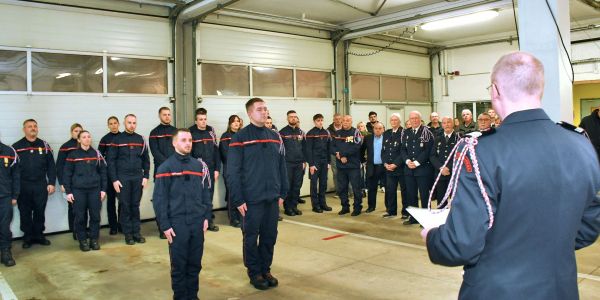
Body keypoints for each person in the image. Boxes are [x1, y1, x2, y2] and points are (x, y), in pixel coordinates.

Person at [423, 52, 600, 299]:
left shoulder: (481, 150)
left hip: (497, 291)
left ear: (495, 90)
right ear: (539, 88)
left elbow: (459, 245)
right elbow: (589, 226)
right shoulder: (580, 143)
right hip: (560, 290)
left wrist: (432, 236)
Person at [227, 98, 288, 290]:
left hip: (272, 197)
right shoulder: (240, 137)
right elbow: (233, 171)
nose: (264, 112)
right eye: (260, 109)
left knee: (270, 236)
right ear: (250, 113)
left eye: (266, 109)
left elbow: (281, 166)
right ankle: (254, 272)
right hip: (251, 199)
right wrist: (237, 199)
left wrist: (282, 192)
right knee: (251, 237)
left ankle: (265, 269)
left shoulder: (274, 136)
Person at [153, 128, 212, 300]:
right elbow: (159, 199)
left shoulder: (198, 166)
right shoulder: (166, 167)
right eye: (184, 140)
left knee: (194, 264)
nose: (188, 143)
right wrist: (164, 225)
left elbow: (205, 194)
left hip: (196, 223)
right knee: (179, 265)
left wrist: (206, 216)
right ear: (174, 143)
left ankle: (192, 296)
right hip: (177, 224)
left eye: (190, 140)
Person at [108, 114, 150, 245]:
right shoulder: (117, 140)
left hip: (137, 177)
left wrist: (146, 176)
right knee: (125, 206)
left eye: (134, 123)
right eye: (129, 122)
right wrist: (114, 180)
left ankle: (136, 233)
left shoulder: (141, 139)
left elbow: (146, 159)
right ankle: (128, 235)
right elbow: (111, 161)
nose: (132, 125)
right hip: (123, 178)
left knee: (135, 206)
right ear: (124, 123)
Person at [13, 119, 56, 248]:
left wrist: (52, 182)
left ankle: (39, 235)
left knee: (39, 210)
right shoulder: (16, 147)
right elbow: (12, 169)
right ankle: (27, 237)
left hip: (40, 184)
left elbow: (51, 166)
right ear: (24, 129)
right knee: (25, 211)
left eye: (35, 126)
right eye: (30, 126)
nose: (33, 128)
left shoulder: (44, 145)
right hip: (23, 185)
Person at [63, 130, 107, 252]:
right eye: (84, 137)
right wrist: (68, 191)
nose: (87, 139)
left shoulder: (97, 154)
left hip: (94, 190)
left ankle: (94, 239)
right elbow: (67, 174)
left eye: (88, 137)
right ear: (79, 140)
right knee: (80, 217)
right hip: (78, 191)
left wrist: (103, 189)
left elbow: (103, 173)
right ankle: (82, 240)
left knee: (95, 216)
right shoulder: (73, 155)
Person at [189, 108, 220, 232]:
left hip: (210, 170)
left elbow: (216, 151)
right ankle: (196, 221)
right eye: (200, 120)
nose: (203, 122)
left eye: (205, 119)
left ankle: (208, 221)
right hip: (196, 170)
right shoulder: (190, 132)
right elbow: (188, 152)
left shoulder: (211, 131)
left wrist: (217, 169)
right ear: (196, 121)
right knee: (196, 196)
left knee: (208, 196)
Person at [401, 111, 434, 225]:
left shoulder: (427, 132)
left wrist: (417, 162)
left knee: (424, 195)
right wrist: (407, 161)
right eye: (412, 118)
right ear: (409, 120)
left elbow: (428, 150)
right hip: (409, 169)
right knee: (411, 194)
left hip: (422, 169)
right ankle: (413, 217)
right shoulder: (406, 133)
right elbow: (403, 149)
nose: (414, 120)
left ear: (420, 119)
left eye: (416, 118)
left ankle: (425, 219)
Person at [149, 107, 176, 239]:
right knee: (161, 201)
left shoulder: (176, 132)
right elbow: (155, 153)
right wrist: (168, 165)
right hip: (161, 172)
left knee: (174, 201)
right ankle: (162, 228)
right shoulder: (154, 133)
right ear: (159, 116)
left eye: (168, 115)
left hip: (176, 173)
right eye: (164, 115)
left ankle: (174, 225)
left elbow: (179, 149)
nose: (167, 117)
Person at [331, 115, 364, 216]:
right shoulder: (337, 134)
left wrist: (343, 154)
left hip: (353, 166)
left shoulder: (356, 132)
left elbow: (356, 147)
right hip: (341, 166)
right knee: (342, 188)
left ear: (351, 121)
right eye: (344, 120)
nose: (345, 122)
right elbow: (332, 147)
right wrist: (338, 154)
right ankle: (345, 207)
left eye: (348, 120)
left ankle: (357, 207)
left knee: (356, 188)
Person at [56, 123, 84, 240]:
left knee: (83, 207)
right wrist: (62, 183)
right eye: (75, 131)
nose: (78, 133)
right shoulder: (65, 147)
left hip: (83, 183)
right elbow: (60, 166)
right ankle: (75, 231)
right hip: (70, 183)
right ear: (71, 132)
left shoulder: (85, 146)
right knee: (73, 207)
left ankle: (82, 230)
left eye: (80, 131)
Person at [429, 117, 461, 209]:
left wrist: (449, 167)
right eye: (444, 123)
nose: (447, 124)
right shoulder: (437, 139)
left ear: (453, 124)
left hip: (453, 174)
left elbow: (459, 155)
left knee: (455, 200)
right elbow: (432, 156)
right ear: (442, 125)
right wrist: (441, 167)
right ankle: (442, 221)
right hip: (440, 173)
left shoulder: (459, 138)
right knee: (441, 199)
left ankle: (455, 221)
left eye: (449, 122)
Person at [279, 110, 306, 216]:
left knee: (297, 186)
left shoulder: (301, 132)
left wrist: (304, 161)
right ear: (287, 118)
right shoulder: (282, 133)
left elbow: (305, 148)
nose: (293, 118)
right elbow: (280, 150)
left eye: (295, 116)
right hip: (287, 163)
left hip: (299, 163)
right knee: (288, 186)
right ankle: (288, 208)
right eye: (291, 117)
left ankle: (294, 206)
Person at [304, 114, 332, 213]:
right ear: (314, 122)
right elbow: (308, 150)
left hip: (324, 162)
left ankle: (323, 204)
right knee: (314, 184)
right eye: (318, 120)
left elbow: (329, 148)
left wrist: (329, 162)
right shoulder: (310, 133)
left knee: (323, 184)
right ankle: (315, 205)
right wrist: (311, 164)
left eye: (321, 120)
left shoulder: (326, 132)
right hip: (315, 163)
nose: (320, 122)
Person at [98, 116, 121, 235]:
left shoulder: (123, 138)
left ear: (119, 124)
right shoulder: (104, 140)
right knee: (110, 202)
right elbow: (99, 159)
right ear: (108, 125)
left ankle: (122, 224)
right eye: (110, 124)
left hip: (122, 175)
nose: (113, 125)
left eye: (115, 123)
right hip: (109, 176)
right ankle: (113, 226)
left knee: (123, 201)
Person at [220, 115, 243, 227]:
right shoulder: (225, 137)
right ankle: (233, 218)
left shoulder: (243, 135)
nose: (236, 123)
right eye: (234, 122)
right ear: (230, 124)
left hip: (242, 170)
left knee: (241, 193)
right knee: (232, 193)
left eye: (238, 121)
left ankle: (241, 215)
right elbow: (225, 154)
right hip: (230, 170)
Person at [382, 113, 406, 218]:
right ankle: (391, 211)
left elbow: (404, 151)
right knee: (390, 190)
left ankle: (406, 213)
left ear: (399, 121)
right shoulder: (387, 133)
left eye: (396, 120)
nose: (393, 122)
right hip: (389, 168)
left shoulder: (404, 133)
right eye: (392, 120)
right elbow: (383, 151)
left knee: (404, 191)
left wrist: (395, 164)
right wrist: (385, 163)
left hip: (400, 167)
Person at [0, 139, 19, 266]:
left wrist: (15, 195)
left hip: (4, 196)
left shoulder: (9, 151)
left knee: (4, 226)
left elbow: (16, 175)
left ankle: (5, 251)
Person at [361, 122, 385, 213]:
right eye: (376, 128)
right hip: (372, 167)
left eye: (380, 128)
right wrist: (363, 160)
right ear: (373, 129)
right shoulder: (368, 138)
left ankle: (389, 208)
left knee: (388, 188)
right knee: (371, 188)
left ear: (383, 129)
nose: (378, 130)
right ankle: (371, 207)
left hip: (384, 167)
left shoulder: (387, 138)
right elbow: (362, 150)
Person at [327, 113, 343, 194]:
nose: (338, 120)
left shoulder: (345, 128)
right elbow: (329, 144)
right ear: (333, 120)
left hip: (344, 154)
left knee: (345, 172)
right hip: (333, 154)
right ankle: (338, 191)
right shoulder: (329, 130)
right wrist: (335, 152)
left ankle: (348, 191)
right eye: (336, 119)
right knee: (336, 173)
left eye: (339, 119)